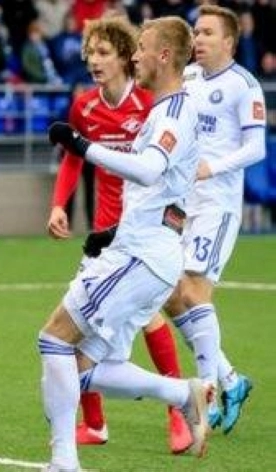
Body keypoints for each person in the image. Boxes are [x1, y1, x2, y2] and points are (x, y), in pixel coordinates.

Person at [39, 17, 210, 471]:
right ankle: (182, 393)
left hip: (143, 255)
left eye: (142, 48)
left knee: (53, 340)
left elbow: (152, 171)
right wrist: (114, 231)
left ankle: (63, 463)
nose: (134, 56)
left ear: (165, 55)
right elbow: (163, 191)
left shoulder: (172, 112)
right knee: (84, 367)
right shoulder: (165, 109)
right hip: (138, 246)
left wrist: (80, 145)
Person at [162, 4, 266, 435]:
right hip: (181, 202)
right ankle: (230, 380)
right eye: (195, 32)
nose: (198, 40)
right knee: (167, 294)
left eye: (206, 33)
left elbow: (256, 147)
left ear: (229, 41)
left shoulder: (245, 86)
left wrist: (212, 166)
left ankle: (207, 392)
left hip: (217, 206)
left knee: (195, 292)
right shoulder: (186, 78)